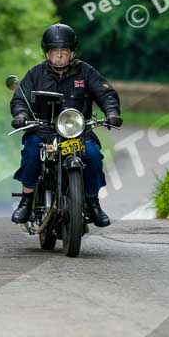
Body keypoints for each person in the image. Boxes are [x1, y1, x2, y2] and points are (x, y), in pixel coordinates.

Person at [10, 23, 123, 227]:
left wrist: (112, 112)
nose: (60, 56)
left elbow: (106, 93)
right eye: (55, 51)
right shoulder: (35, 74)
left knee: (93, 155)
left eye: (64, 51)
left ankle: (92, 202)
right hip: (43, 130)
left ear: (72, 52)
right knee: (31, 152)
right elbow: (20, 99)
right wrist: (20, 114)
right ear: (47, 53)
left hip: (78, 132)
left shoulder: (86, 72)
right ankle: (26, 201)